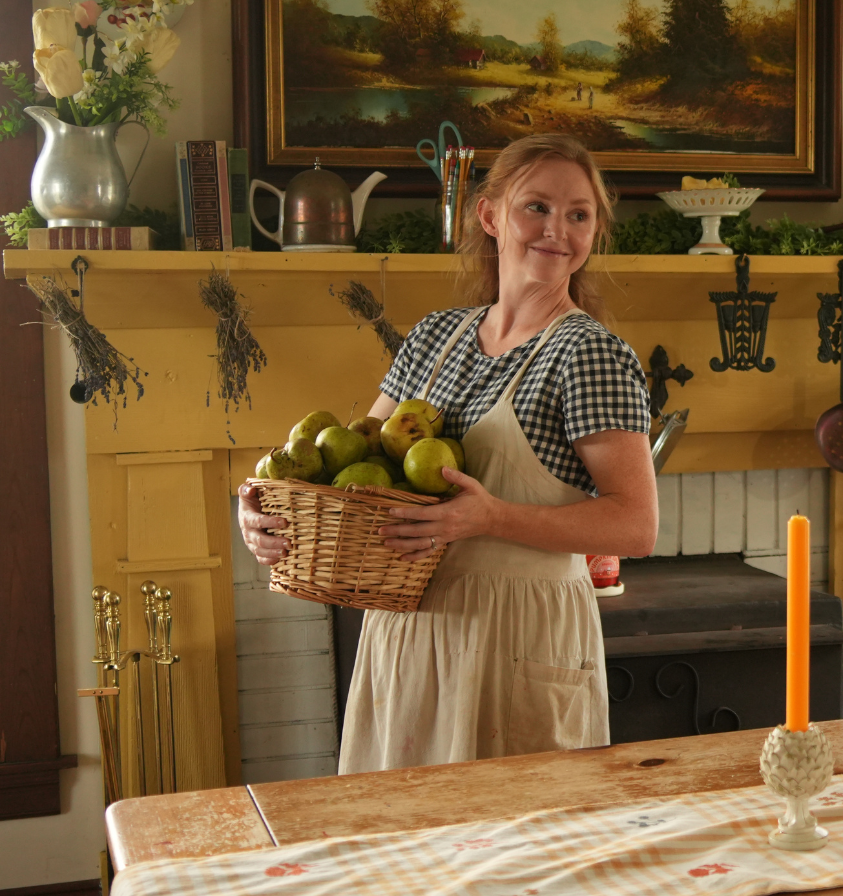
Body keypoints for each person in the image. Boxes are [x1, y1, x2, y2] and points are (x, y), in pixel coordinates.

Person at [236, 134, 657, 772]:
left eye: (579, 214)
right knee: (406, 846)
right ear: (490, 216)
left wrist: (491, 517)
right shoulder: (436, 337)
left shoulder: (590, 354)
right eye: (536, 207)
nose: (558, 231)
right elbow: (357, 477)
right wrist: (270, 511)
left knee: (513, 852)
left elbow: (636, 525)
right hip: (409, 630)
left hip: (520, 633)